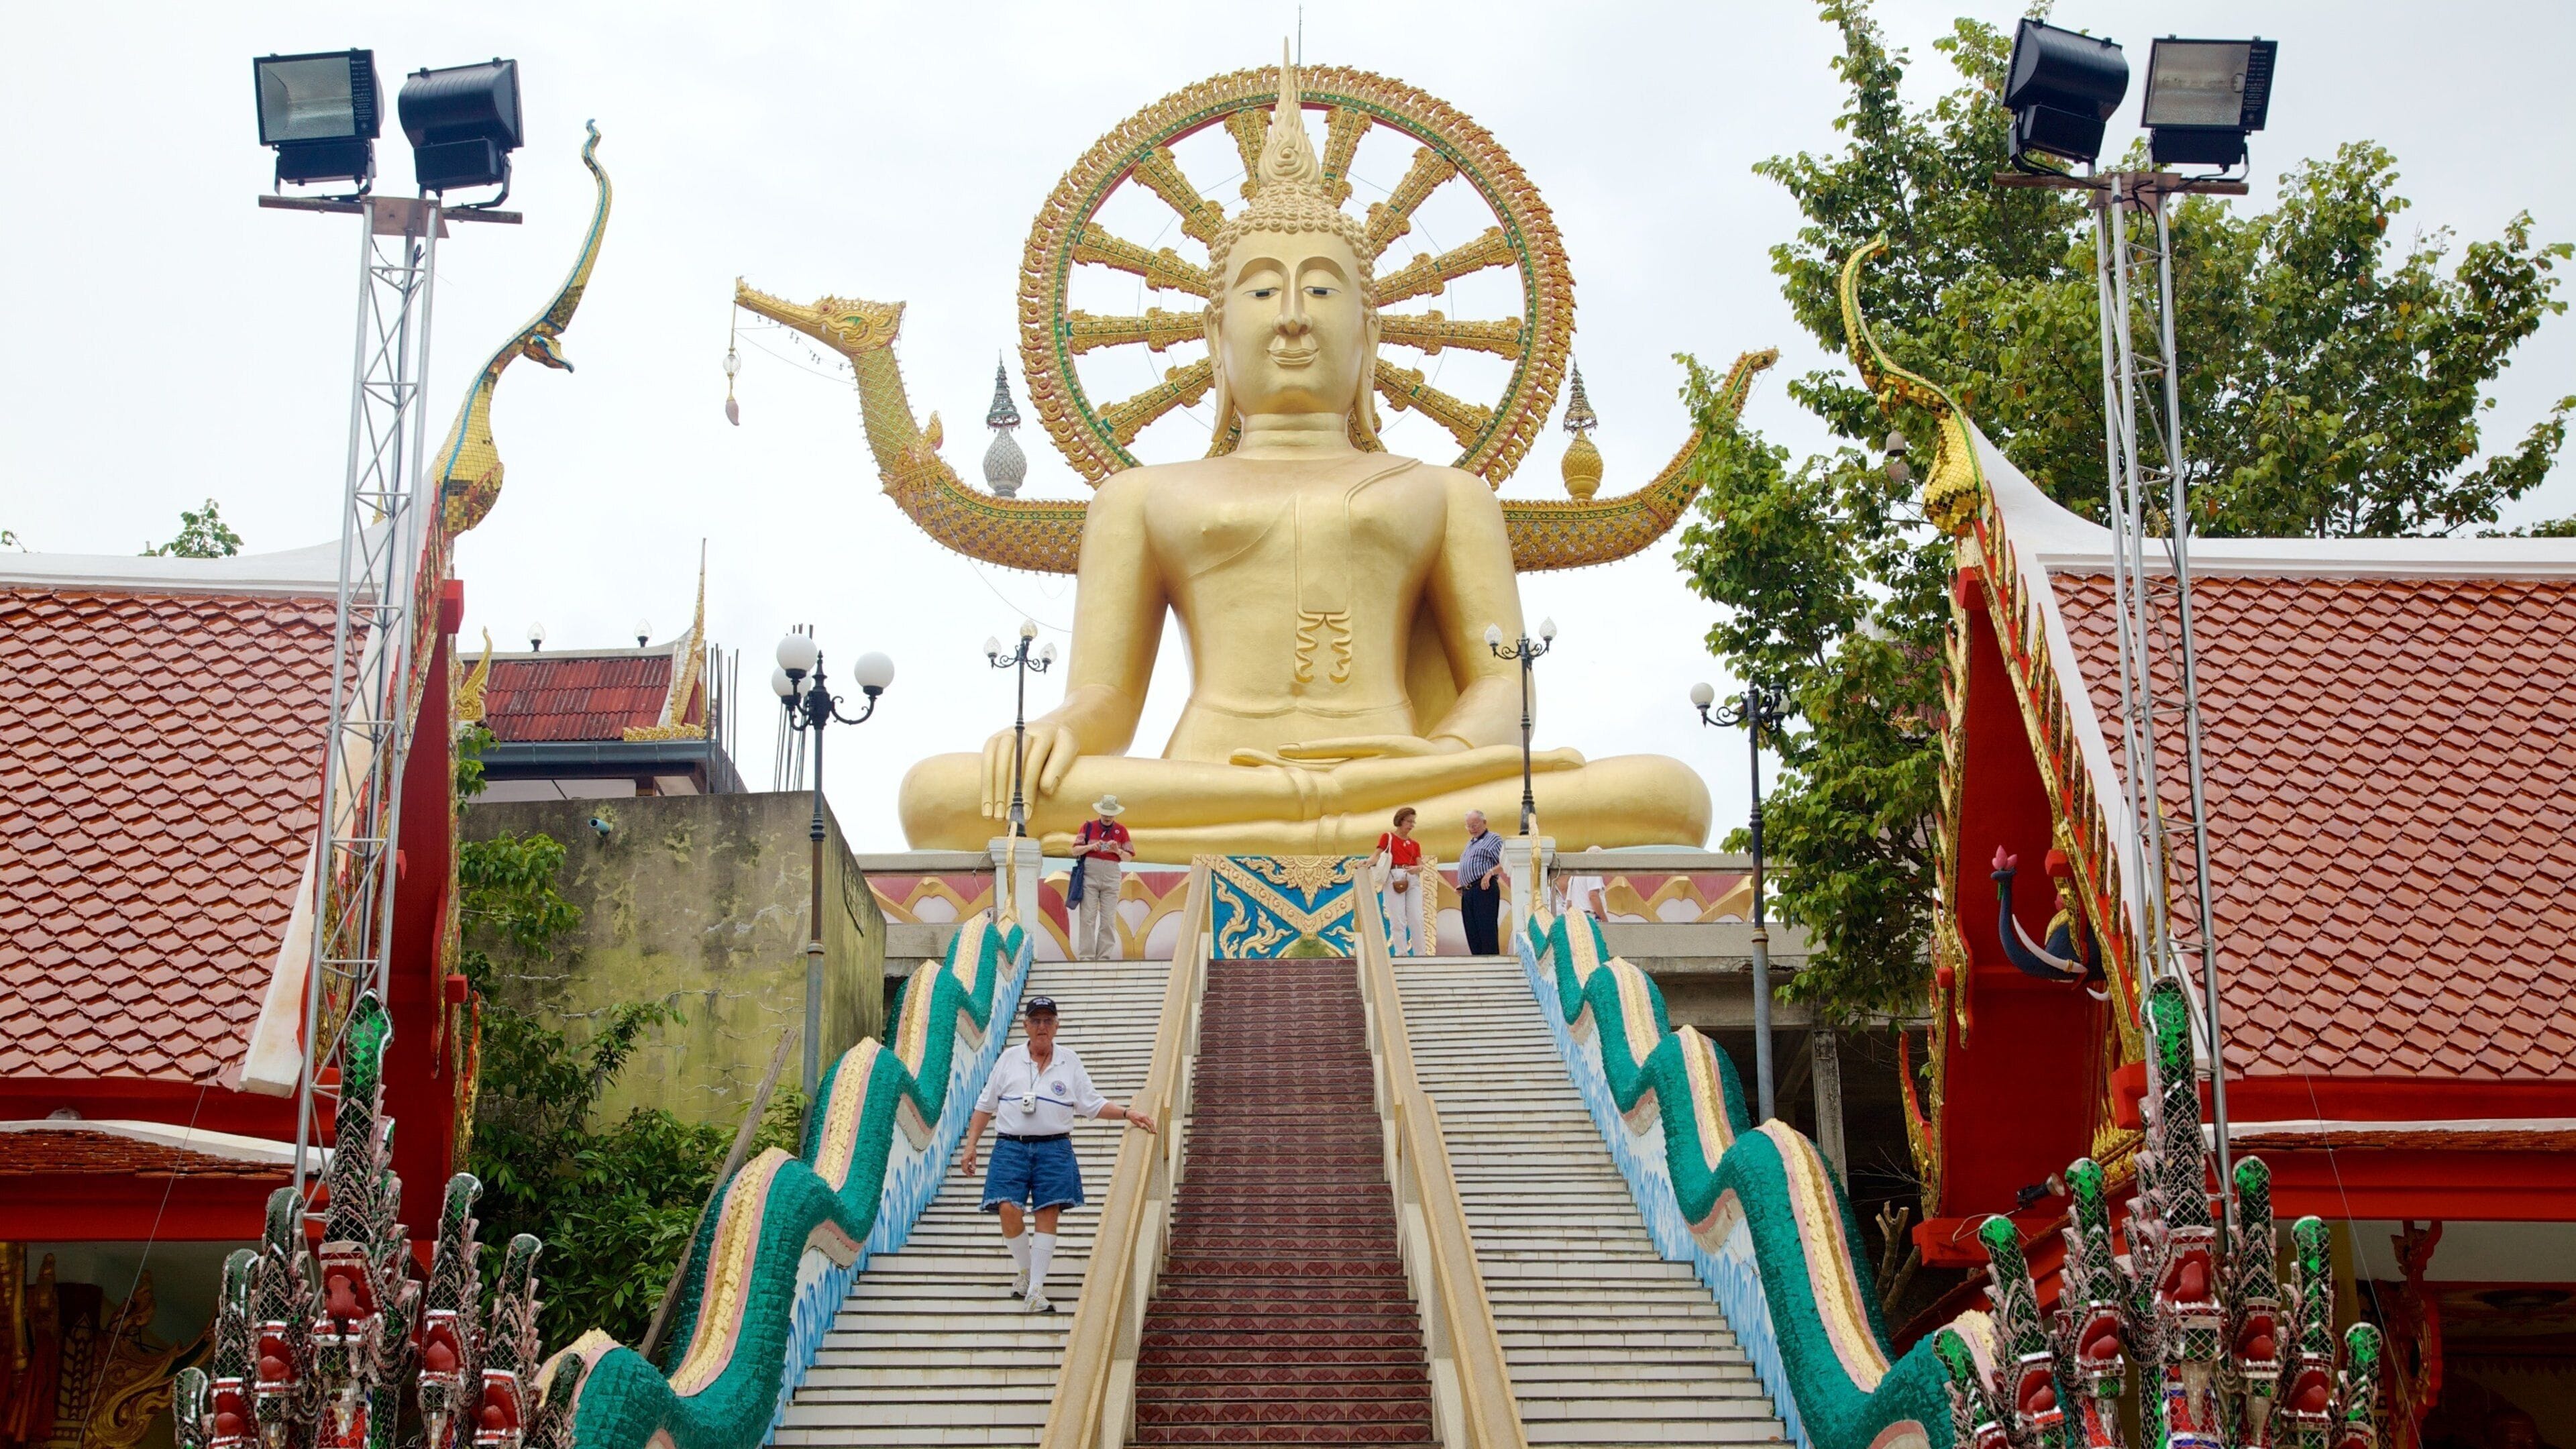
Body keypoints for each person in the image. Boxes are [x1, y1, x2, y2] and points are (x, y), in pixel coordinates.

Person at [957, 996, 1155, 1313]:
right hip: (1011, 1146)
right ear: (1026, 1026)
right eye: (1036, 1021)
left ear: (1057, 1026)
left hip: (1055, 1148)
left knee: (1048, 1212)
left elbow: (1091, 1103)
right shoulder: (1009, 1059)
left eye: (1048, 1021)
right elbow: (985, 1105)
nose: (1042, 1027)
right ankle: (1026, 1270)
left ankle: (1035, 1289)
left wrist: (1127, 1113)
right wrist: (971, 1145)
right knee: (1008, 1208)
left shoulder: (1070, 1061)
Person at [1070, 794, 1132, 960]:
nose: (1107, 817)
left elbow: (1129, 857)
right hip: (1090, 873)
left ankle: (1104, 957)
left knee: (1108, 919)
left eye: (1110, 814)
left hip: (1112, 874)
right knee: (1087, 917)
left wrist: (1116, 851)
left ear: (1116, 814)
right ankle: (1086, 957)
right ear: (1099, 811)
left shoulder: (1122, 830)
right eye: (1104, 813)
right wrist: (1091, 846)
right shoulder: (1088, 826)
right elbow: (1074, 850)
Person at [1375, 807, 1430, 956]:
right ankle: (1401, 953)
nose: (1411, 825)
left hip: (1411, 877)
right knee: (1397, 918)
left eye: (1414, 822)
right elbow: (1377, 855)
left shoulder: (1415, 844)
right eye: (1409, 821)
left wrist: (1416, 869)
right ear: (1400, 820)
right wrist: (1366, 863)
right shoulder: (1388, 837)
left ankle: (1421, 953)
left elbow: (1421, 866)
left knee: (1416, 917)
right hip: (1394, 875)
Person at [1458, 809, 1505, 956]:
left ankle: (1491, 965)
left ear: (1484, 822)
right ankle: (1478, 962)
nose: (1472, 829)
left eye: (1475, 825)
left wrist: (1490, 873)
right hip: (1468, 892)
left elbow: (1505, 862)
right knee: (1472, 931)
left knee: (1486, 929)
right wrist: (1463, 883)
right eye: (1469, 826)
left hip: (1484, 889)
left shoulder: (1494, 839)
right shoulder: (1470, 843)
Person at [1562, 844, 1607, 922]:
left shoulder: (1574, 877)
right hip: (1590, 919)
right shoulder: (1593, 870)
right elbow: (1593, 896)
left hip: (1577, 920)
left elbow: (1569, 904)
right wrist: (1605, 920)